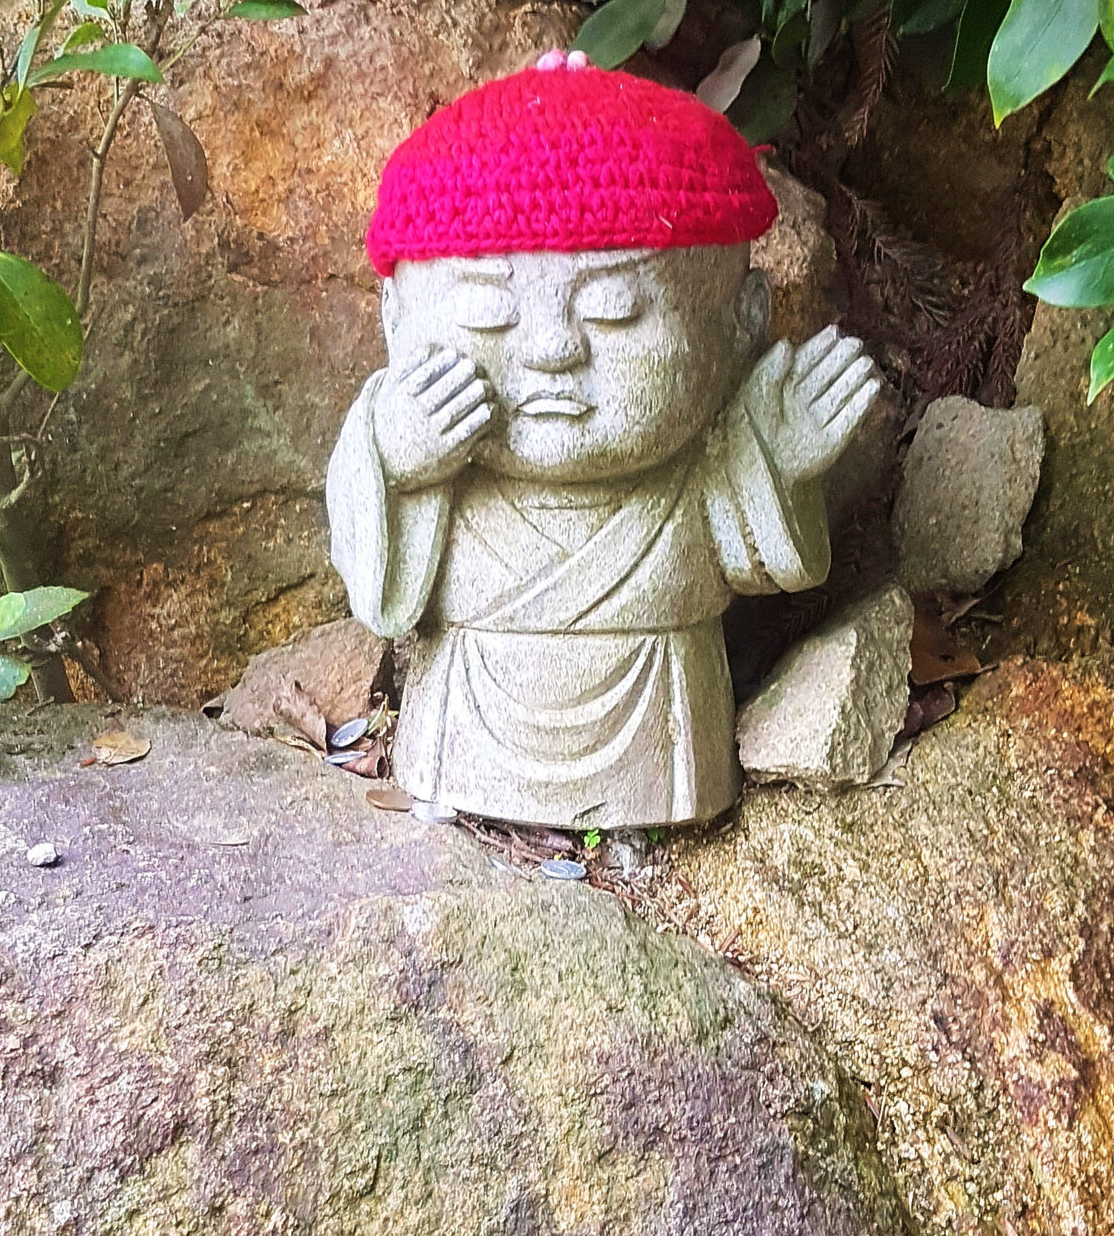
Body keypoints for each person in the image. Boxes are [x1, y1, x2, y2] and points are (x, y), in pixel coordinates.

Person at [328, 50, 880, 828]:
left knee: (664, 787)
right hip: (464, 709)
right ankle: (460, 791)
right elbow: (376, 572)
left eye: (614, 308)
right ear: (396, 322)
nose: (552, 349)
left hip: (665, 711)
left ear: (742, 318)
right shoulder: (426, 458)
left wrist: (773, 461)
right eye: (490, 311)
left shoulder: (700, 458)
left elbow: (751, 555)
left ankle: (648, 821)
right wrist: (393, 458)